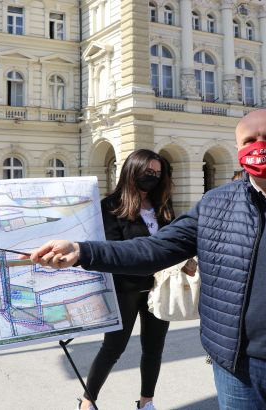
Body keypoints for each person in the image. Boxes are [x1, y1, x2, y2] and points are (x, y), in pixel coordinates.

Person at [31, 109, 266, 409]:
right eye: (250, 141)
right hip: (239, 370)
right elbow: (153, 251)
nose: (261, 147)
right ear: (238, 150)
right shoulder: (215, 204)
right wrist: (82, 251)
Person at [77, 149, 189, 410]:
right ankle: (87, 401)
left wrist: (185, 258)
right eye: (148, 172)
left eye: (158, 173)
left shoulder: (162, 205)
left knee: (153, 349)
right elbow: (114, 249)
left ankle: (146, 401)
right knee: (113, 348)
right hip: (125, 289)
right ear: (132, 171)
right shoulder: (111, 206)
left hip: (159, 287)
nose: (153, 177)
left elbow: (171, 243)